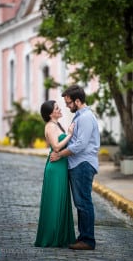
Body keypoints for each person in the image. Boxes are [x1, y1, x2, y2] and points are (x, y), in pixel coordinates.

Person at [50, 85, 100, 250]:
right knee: (80, 203)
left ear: (78, 101)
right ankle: (83, 238)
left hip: (83, 164)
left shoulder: (85, 117)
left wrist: (60, 154)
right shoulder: (80, 116)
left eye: (69, 102)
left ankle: (88, 240)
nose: (67, 106)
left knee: (83, 202)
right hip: (78, 164)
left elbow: (80, 144)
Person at [34, 100, 76, 247]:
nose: (60, 109)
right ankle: (52, 237)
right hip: (56, 167)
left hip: (61, 166)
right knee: (55, 201)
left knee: (62, 200)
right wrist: (70, 135)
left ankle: (62, 236)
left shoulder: (57, 125)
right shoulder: (50, 127)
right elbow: (56, 147)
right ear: (51, 113)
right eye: (57, 108)